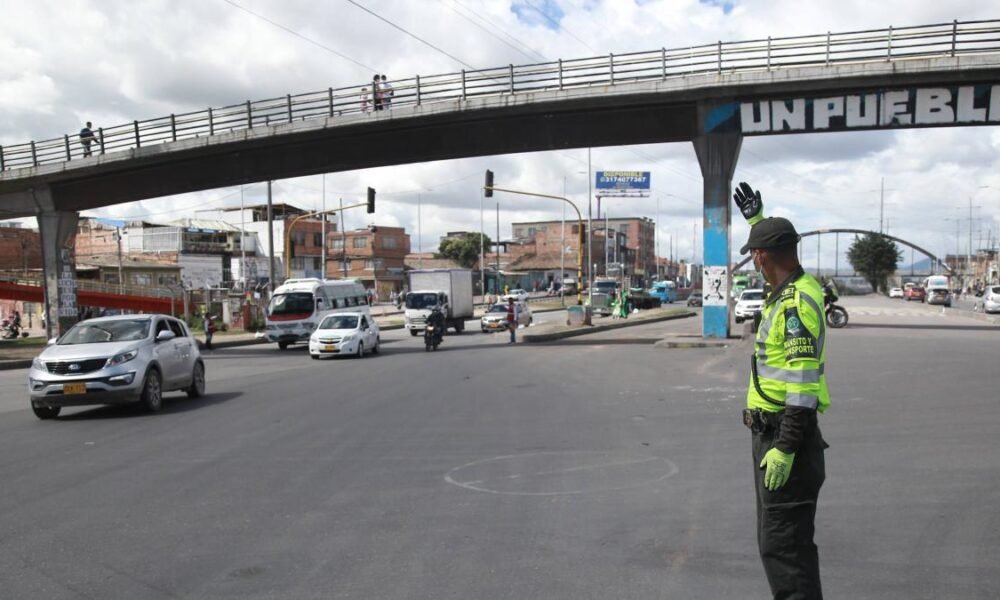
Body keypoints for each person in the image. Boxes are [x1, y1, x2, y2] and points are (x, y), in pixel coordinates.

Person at [733, 182, 830, 600]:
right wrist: (759, 222)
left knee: (784, 549)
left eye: (755, 254)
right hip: (772, 435)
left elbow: (803, 385)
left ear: (761, 257)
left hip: (783, 438)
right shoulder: (792, 289)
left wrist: (786, 447)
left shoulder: (793, 304)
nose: (754, 262)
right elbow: (776, 253)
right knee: (782, 545)